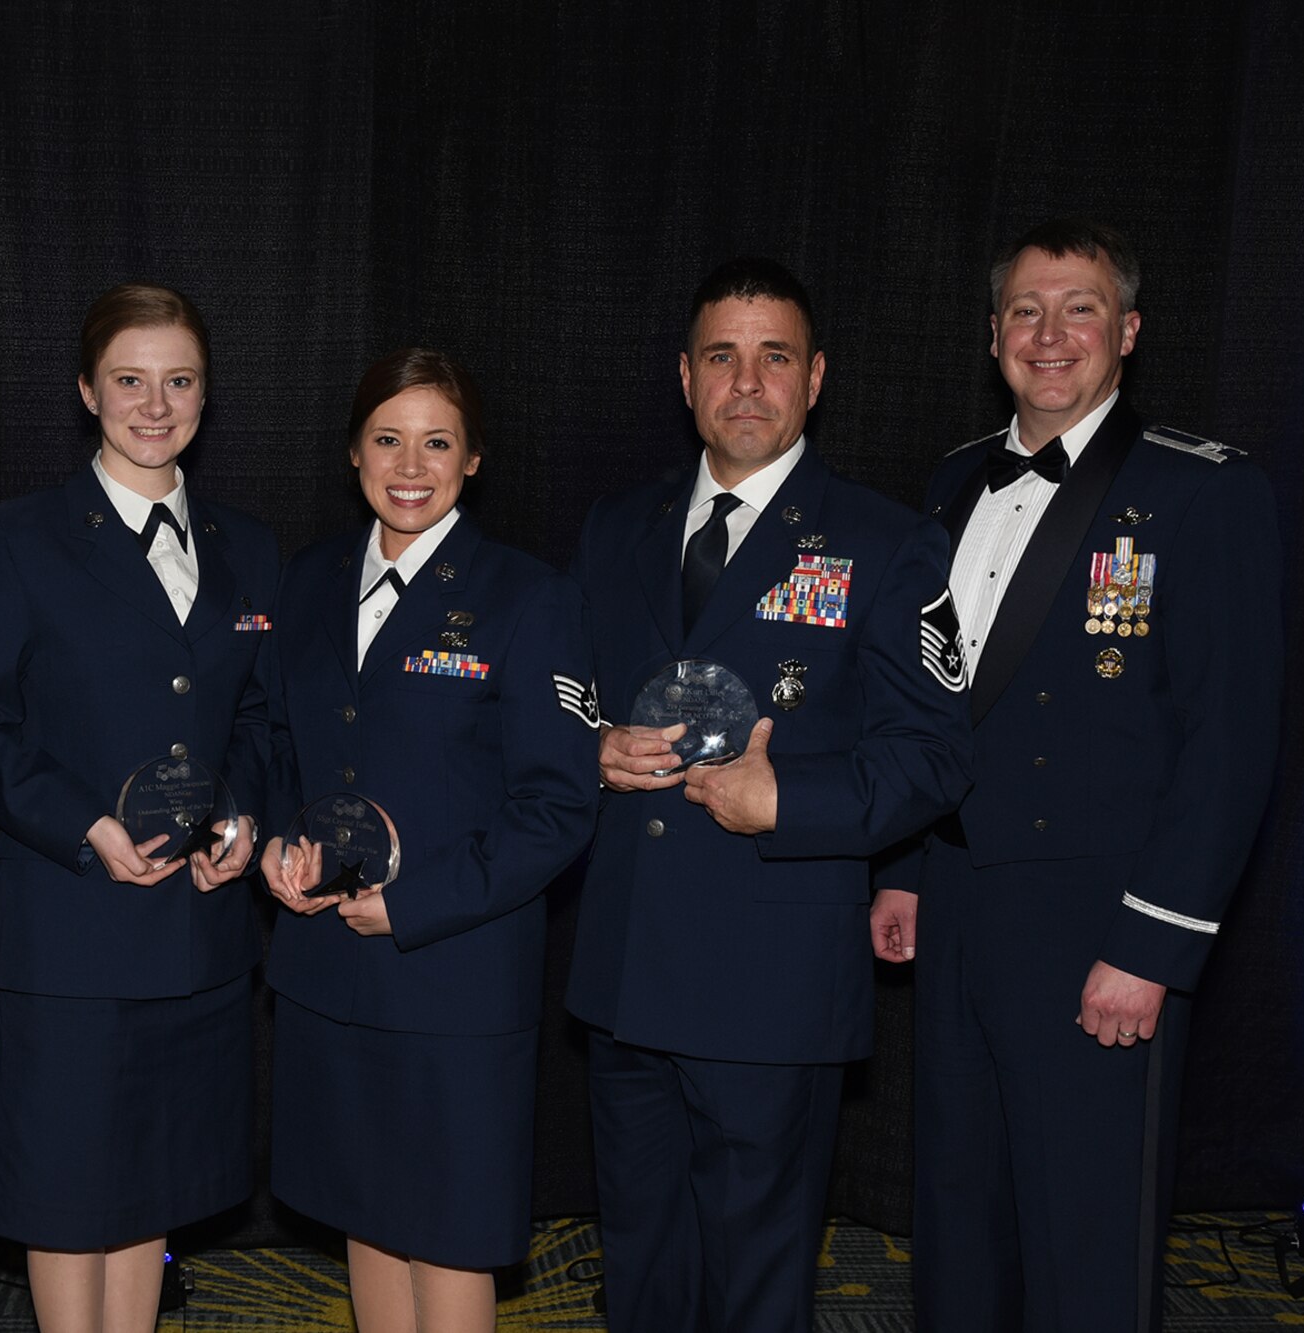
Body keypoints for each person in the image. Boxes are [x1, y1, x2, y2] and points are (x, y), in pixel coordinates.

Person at [871, 219, 1283, 1333]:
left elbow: (1229, 743)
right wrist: (905, 865)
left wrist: (1149, 945)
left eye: (1080, 309)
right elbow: (930, 700)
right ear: (993, 333)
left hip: (1097, 917)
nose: (1049, 335)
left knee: (1086, 1238)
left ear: (1127, 330)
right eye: (1024, 311)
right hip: (958, 901)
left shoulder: (1203, 492)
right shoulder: (952, 479)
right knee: (957, 1216)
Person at [568, 258, 972, 1332]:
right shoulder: (615, 526)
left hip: (768, 975)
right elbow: (559, 705)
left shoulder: (886, 543)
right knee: (639, 1262)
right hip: (624, 965)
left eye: (773, 357)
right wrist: (588, 747)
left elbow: (932, 755)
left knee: (754, 1279)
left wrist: (784, 800)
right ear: (685, 377)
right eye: (720, 357)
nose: (745, 382)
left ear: (814, 377)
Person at [0, 283, 274, 1333]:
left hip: (196, 930)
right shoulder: (18, 538)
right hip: (71, 920)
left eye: (178, 381)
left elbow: (259, 720)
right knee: (67, 1196)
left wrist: (243, 817)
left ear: (206, 398)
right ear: (87, 391)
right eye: (129, 380)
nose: (153, 404)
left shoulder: (247, 545)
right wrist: (82, 822)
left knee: (148, 1194)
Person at [258, 347, 599, 1333]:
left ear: (474, 458)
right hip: (327, 964)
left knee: (448, 1232)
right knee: (366, 1216)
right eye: (388, 439)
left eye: (437, 441)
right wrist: (283, 842)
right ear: (352, 453)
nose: (411, 464)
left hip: (454, 971)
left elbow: (557, 806)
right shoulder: (311, 576)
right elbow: (283, 743)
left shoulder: (528, 597)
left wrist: (410, 903)